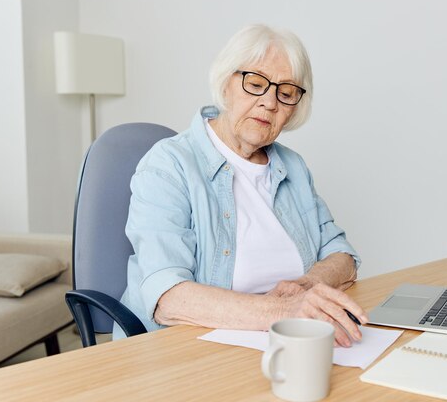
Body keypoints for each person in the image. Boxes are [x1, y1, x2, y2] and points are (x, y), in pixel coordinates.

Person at [116, 24, 367, 347]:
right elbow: (168, 298)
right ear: (226, 83)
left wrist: (307, 286)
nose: (270, 102)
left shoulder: (292, 167)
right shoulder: (168, 165)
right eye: (256, 83)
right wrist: (282, 310)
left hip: (281, 341)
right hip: (184, 349)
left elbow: (343, 256)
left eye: (286, 92)